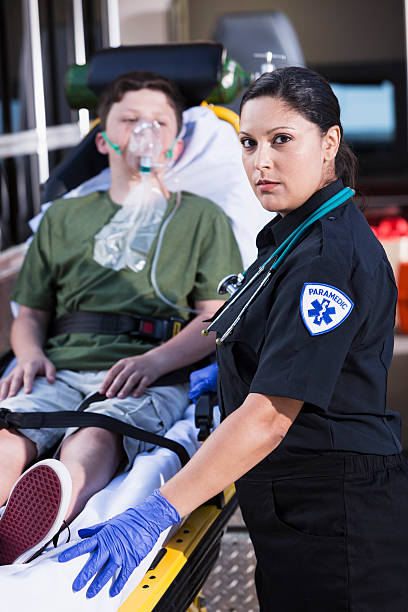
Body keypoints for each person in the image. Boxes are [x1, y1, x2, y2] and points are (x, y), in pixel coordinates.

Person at [12, 65, 408, 611]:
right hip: (296, 508)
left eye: (282, 140)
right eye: (248, 143)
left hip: (336, 515)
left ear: (329, 143)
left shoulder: (325, 260)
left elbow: (270, 414)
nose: (260, 162)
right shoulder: (289, 237)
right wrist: (217, 372)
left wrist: (159, 511)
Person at [0, 71, 242, 564]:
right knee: (12, 432)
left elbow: (215, 319)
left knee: (96, 430)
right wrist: (27, 356)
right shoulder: (64, 218)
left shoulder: (201, 219)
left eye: (158, 122)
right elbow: (30, 315)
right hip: (60, 365)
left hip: (143, 371)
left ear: (175, 145)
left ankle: (54, 511)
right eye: (130, 120)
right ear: (104, 138)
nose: (144, 131)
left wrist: (156, 362)